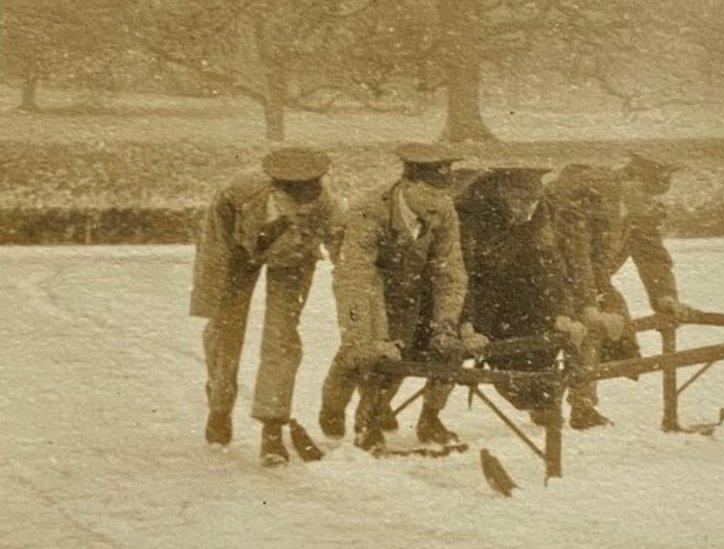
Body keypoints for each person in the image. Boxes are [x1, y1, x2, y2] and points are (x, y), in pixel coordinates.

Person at [319, 143, 487, 450]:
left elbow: (451, 272)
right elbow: (356, 275)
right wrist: (365, 334)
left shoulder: (442, 208)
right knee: (367, 354)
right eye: (431, 196)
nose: (439, 205)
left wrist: (446, 324)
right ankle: (335, 409)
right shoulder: (371, 209)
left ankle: (427, 418)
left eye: (443, 195)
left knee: (439, 350)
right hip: (368, 287)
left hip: (412, 288)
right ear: (407, 186)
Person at [190, 146, 342, 466]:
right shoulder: (236, 195)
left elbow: (346, 258)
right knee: (224, 330)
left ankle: (272, 428)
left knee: (282, 337)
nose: (304, 207)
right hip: (236, 253)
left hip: (294, 260)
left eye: (310, 197)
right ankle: (219, 405)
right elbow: (214, 251)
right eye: (295, 201)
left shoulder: (327, 206)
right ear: (276, 188)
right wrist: (212, 297)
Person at [547, 152, 696, 428]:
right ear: (630, 180)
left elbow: (651, 254)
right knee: (587, 322)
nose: (653, 203)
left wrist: (665, 297)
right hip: (550, 274)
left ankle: (579, 402)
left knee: (612, 315)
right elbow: (575, 256)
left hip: (591, 277)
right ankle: (570, 404)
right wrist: (590, 306)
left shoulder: (637, 209)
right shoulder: (589, 194)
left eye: (656, 196)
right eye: (648, 193)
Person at [454, 166, 589, 422]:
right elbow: (461, 273)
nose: (526, 210)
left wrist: (562, 313)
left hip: (509, 291)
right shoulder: (469, 214)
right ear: (501, 194)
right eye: (519, 201)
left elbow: (547, 265)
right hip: (471, 293)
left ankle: (538, 399)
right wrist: (467, 325)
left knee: (542, 334)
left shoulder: (537, 213)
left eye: (532, 201)